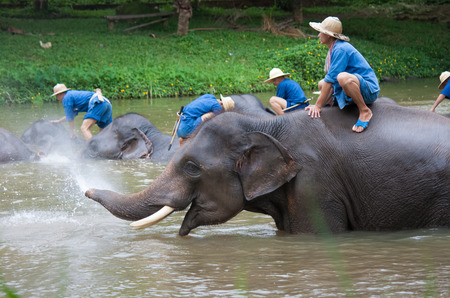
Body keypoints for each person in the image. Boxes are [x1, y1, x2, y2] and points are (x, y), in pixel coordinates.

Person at [306, 16, 380, 132]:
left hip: (367, 89)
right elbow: (328, 81)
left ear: (328, 35)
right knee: (321, 83)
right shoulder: (332, 49)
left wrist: (318, 105)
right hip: (352, 86)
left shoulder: (341, 49)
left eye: (321, 32)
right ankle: (333, 108)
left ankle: (364, 111)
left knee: (342, 78)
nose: (319, 35)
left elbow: (331, 80)